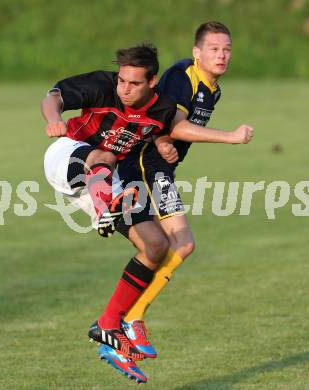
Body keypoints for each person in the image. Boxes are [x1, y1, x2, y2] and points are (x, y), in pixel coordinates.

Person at [97, 21, 254, 382]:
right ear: (197, 52)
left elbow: (167, 124)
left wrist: (166, 138)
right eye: (214, 48)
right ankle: (126, 320)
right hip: (145, 164)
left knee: (181, 245)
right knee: (180, 243)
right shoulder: (184, 74)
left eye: (227, 48)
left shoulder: (212, 90)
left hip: (160, 167)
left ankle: (129, 318)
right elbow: (166, 120)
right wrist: (227, 137)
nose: (222, 54)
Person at [41, 43, 181, 383]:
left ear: (152, 82)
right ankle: (107, 208)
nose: (125, 89)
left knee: (156, 246)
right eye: (122, 81)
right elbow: (53, 96)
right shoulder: (103, 86)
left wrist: (163, 141)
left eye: (134, 84)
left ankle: (107, 325)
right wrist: (54, 119)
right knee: (102, 156)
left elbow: (167, 127)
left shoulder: (162, 108)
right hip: (68, 156)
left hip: (105, 180)